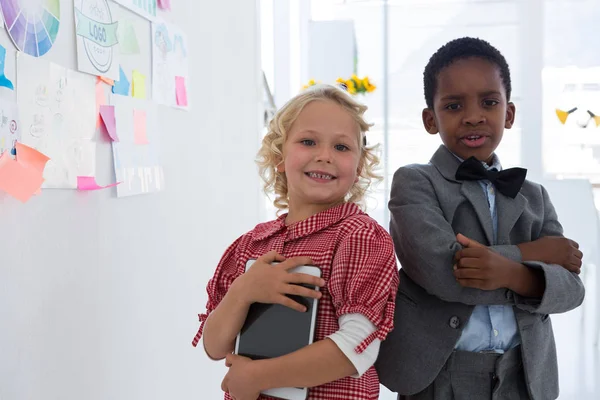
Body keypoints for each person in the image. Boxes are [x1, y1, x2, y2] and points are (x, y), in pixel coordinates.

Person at [375, 37, 585, 400]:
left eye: (489, 102)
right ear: (430, 119)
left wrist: (508, 269)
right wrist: (533, 258)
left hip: (524, 374)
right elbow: (445, 274)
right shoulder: (415, 181)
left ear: (509, 113)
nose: (473, 116)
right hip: (439, 372)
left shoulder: (534, 194)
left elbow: (571, 290)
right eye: (454, 105)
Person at [192, 84, 399, 400]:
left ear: (358, 168)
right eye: (308, 141)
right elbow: (215, 345)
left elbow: (358, 347)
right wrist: (243, 291)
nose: (324, 156)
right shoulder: (251, 245)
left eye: (342, 147)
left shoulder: (358, 238)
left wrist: (257, 377)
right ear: (279, 156)